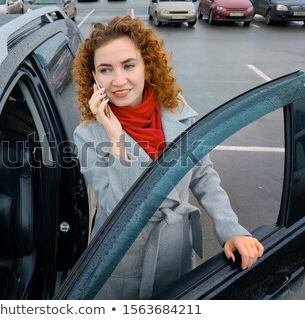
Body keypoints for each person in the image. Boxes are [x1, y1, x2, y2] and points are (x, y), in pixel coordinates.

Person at [72, 16, 264, 299]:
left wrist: (231, 229)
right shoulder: (88, 134)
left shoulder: (178, 111)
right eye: (105, 70)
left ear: (146, 65)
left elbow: (203, 175)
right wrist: (116, 139)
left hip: (176, 252)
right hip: (121, 262)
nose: (118, 80)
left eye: (128, 65)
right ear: (94, 77)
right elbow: (120, 209)